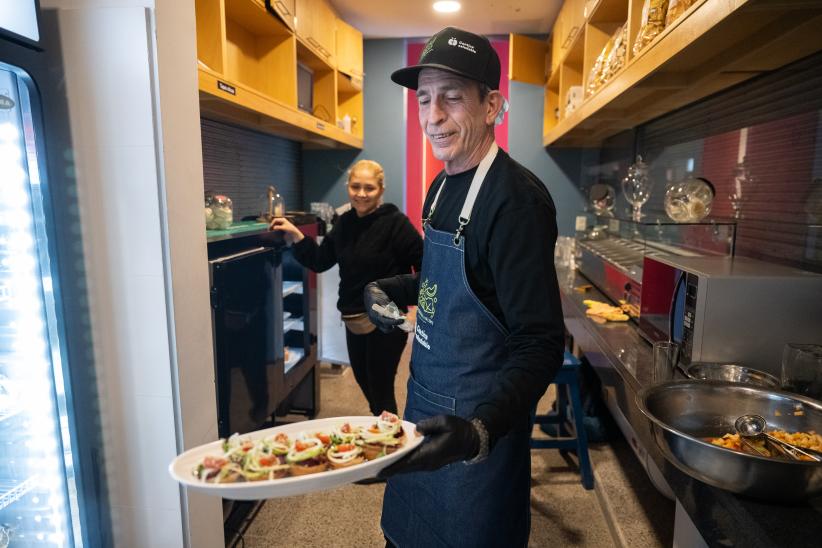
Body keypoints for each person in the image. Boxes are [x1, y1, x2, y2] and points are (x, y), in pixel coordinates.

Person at [364, 27, 565, 547]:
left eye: (452, 98)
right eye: (424, 99)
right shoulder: (442, 184)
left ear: (492, 105)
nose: (433, 117)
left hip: (479, 428)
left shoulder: (516, 203)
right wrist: (392, 287)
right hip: (423, 406)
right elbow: (447, 280)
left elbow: (540, 343)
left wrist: (479, 431)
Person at [271, 160, 422, 416]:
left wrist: (416, 311)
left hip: (386, 322)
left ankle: (395, 444)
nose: (361, 194)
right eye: (355, 187)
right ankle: (387, 434)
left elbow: (425, 267)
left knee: (381, 391)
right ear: (348, 187)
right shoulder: (344, 223)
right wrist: (296, 235)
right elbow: (320, 261)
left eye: (369, 188)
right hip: (354, 320)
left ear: (381, 190)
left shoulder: (396, 224)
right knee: (366, 385)